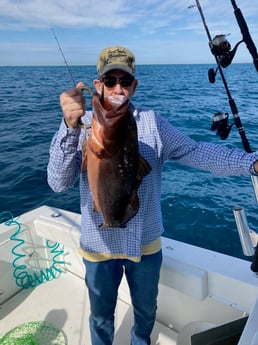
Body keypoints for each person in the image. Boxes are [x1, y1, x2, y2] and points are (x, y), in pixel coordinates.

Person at [47, 45, 258, 345]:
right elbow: (57, 182)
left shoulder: (152, 122)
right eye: (110, 80)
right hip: (97, 244)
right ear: (98, 85)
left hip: (144, 244)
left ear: (134, 85)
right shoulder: (80, 123)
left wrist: (252, 163)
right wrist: (70, 127)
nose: (118, 87)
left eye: (124, 80)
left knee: (146, 311)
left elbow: (196, 151)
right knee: (100, 315)